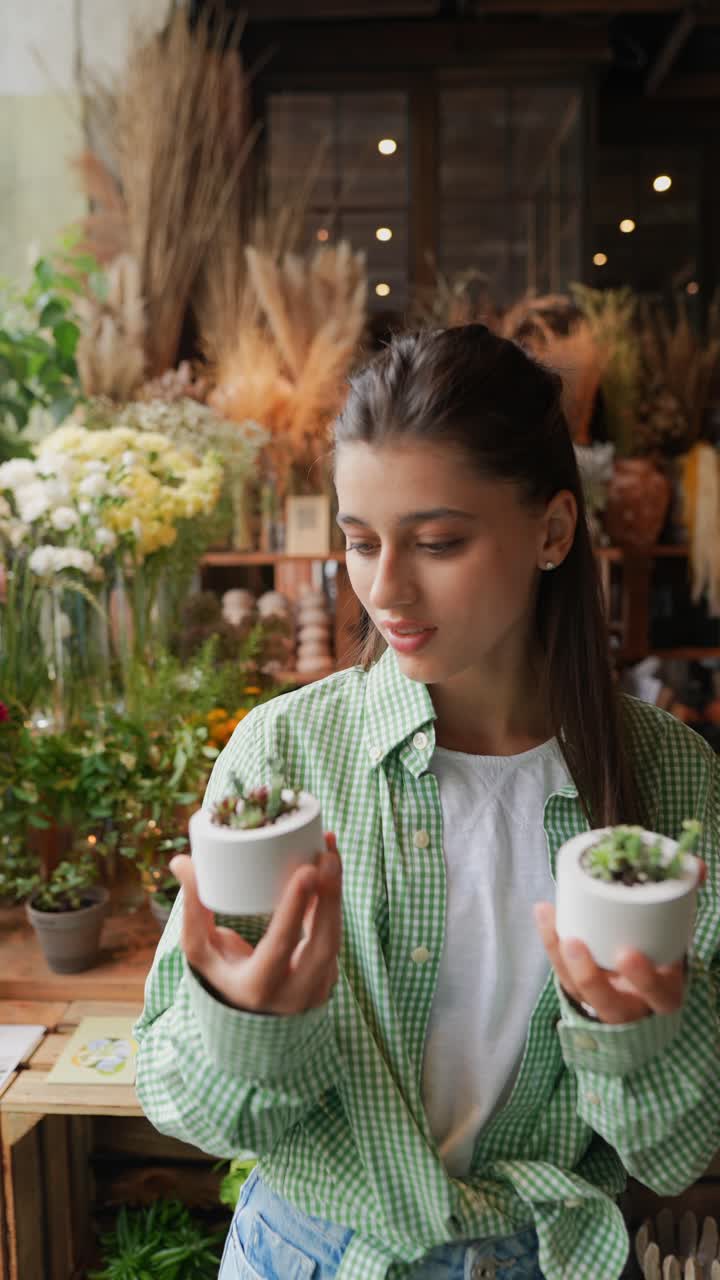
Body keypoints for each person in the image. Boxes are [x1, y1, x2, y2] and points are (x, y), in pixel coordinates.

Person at [134, 325, 719, 1280]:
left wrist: (645, 1043)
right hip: (310, 1256)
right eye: (361, 543)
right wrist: (248, 1026)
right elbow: (183, 1103)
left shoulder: (672, 782)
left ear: (554, 532)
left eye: (438, 541)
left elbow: (675, 1152)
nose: (386, 589)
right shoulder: (287, 753)